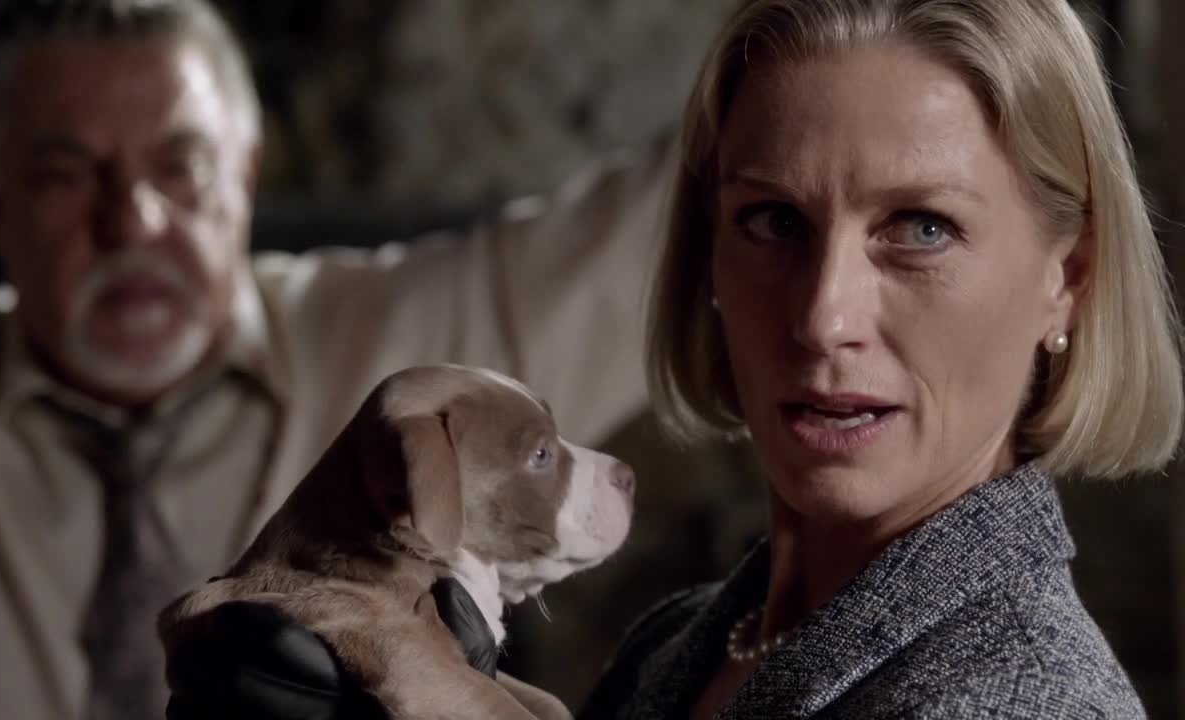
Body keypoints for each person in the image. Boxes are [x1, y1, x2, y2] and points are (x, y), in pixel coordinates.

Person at [171, 0, 1185, 718]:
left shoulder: (1019, 699)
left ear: (1067, 277)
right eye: (771, 221)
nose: (822, 316)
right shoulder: (684, 641)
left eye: (920, 228)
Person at [0, 1, 666, 719]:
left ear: (245, 172)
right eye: (65, 175)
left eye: (181, 165)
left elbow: (669, 209)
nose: (131, 220)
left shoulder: (405, 339)